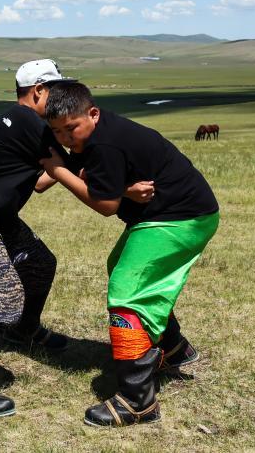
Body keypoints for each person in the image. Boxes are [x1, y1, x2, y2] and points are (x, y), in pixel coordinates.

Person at [0, 59, 152, 417]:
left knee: (39, 263)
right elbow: (74, 165)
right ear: (37, 91)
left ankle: (23, 331)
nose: (62, 100)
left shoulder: (22, 124)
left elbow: (44, 180)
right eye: (56, 91)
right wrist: (123, 188)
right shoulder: (29, 122)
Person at [39, 82, 219, 427]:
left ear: (93, 114)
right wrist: (59, 168)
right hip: (176, 213)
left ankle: (138, 401)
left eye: (71, 128)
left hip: (180, 218)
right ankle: (173, 348)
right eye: (57, 131)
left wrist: (58, 170)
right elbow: (53, 179)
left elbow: (105, 205)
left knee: (127, 292)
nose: (65, 137)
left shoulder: (104, 144)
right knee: (120, 266)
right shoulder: (91, 136)